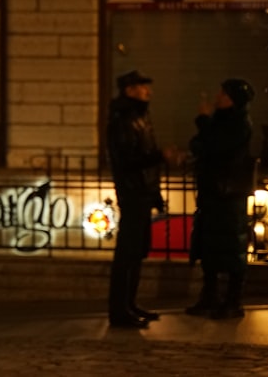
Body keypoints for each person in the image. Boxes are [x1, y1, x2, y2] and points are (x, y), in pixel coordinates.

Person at [185, 78, 256, 319]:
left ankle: (233, 300)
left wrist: (203, 121)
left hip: (229, 194)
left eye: (223, 94)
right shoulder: (220, 121)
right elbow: (199, 144)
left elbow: (216, 146)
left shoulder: (239, 124)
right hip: (212, 193)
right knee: (210, 246)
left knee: (232, 246)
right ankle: (210, 296)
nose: (218, 97)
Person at [106, 69, 170, 329]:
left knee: (137, 252)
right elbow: (128, 161)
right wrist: (160, 156)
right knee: (127, 253)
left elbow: (147, 158)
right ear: (129, 90)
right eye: (143, 87)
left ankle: (129, 304)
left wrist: (155, 193)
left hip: (142, 192)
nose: (149, 91)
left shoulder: (141, 116)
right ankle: (119, 310)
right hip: (132, 193)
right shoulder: (123, 119)